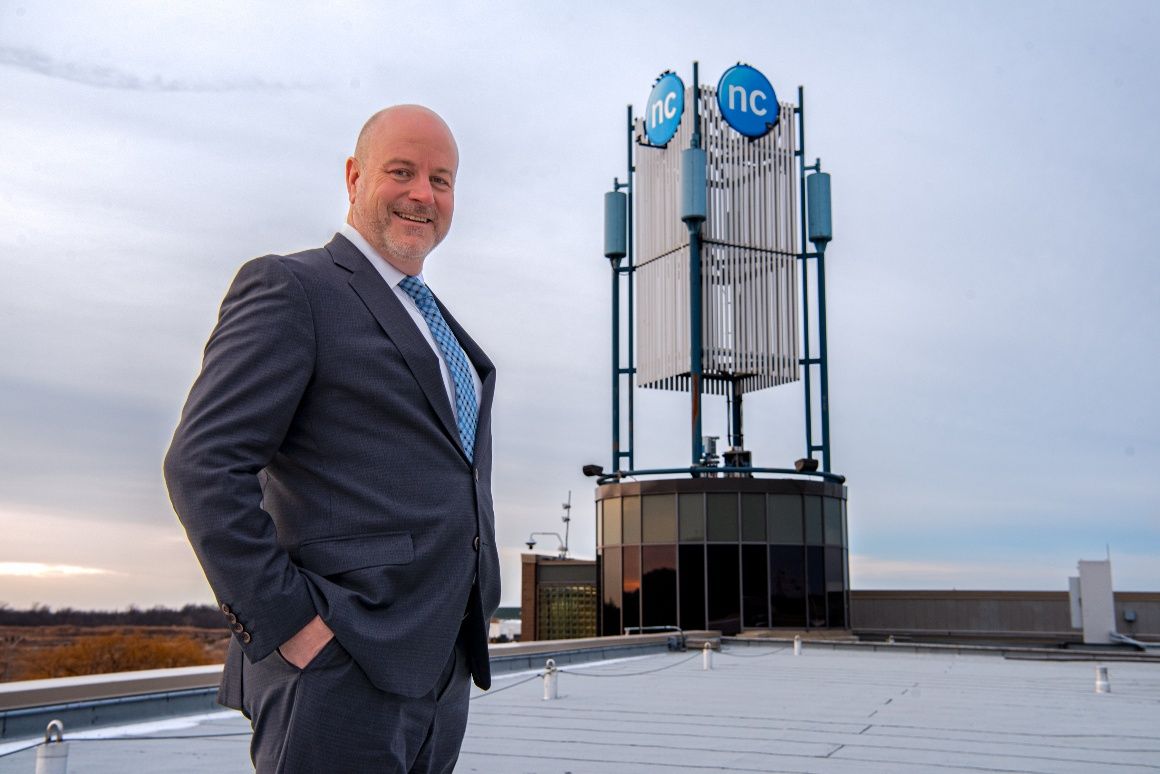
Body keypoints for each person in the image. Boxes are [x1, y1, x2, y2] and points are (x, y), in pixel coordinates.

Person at [163, 105, 499, 773]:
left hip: (439, 670)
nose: (422, 195)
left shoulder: (436, 325)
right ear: (353, 177)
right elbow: (203, 466)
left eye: (441, 179)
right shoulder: (295, 289)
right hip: (338, 671)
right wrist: (293, 627)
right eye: (401, 172)